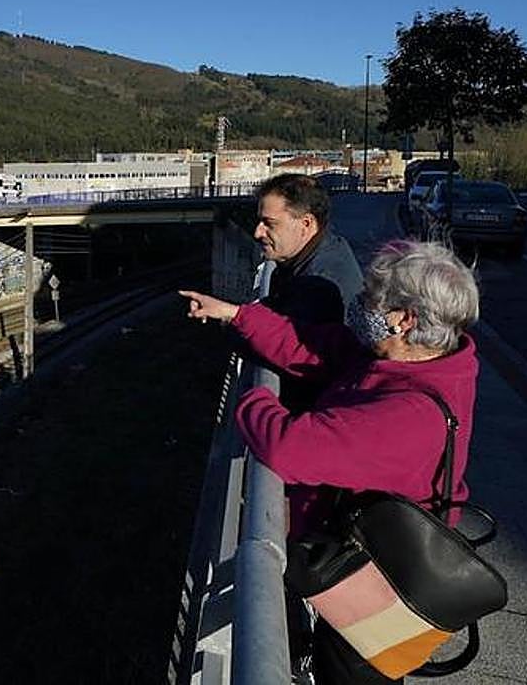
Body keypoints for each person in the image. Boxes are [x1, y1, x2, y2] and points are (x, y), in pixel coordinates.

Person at [180, 240, 480, 685]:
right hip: (354, 555)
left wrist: (252, 397)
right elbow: (309, 345)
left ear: (404, 319)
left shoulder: (410, 414)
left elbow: (287, 448)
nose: (358, 302)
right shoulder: (397, 361)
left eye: (371, 297)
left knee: (351, 671)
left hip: (376, 583)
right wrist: (237, 315)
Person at [252, 173, 363, 326]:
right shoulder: (316, 253)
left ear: (306, 224)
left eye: (269, 224)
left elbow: (289, 346)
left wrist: (238, 317)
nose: (258, 233)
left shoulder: (319, 285)